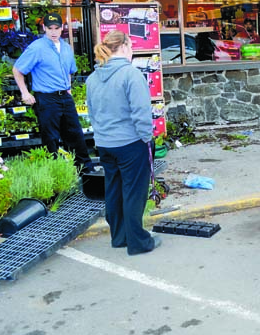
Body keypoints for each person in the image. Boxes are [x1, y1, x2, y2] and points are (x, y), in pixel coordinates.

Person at [86, 30, 160, 255]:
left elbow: (91, 112)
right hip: (130, 142)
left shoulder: (93, 77)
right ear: (126, 46)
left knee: (114, 190)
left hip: (105, 143)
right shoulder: (131, 74)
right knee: (133, 192)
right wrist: (146, 138)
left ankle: (119, 237)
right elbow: (141, 112)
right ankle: (138, 241)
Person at [12, 13, 93, 172]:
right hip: (47, 99)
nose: (54, 32)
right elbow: (17, 70)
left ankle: (85, 170)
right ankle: (55, 172)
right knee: (51, 138)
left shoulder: (67, 48)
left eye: (57, 28)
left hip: (64, 97)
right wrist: (25, 93)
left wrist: (68, 88)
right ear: (44, 28)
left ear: (62, 28)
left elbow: (69, 71)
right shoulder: (36, 47)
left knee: (75, 134)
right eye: (50, 28)